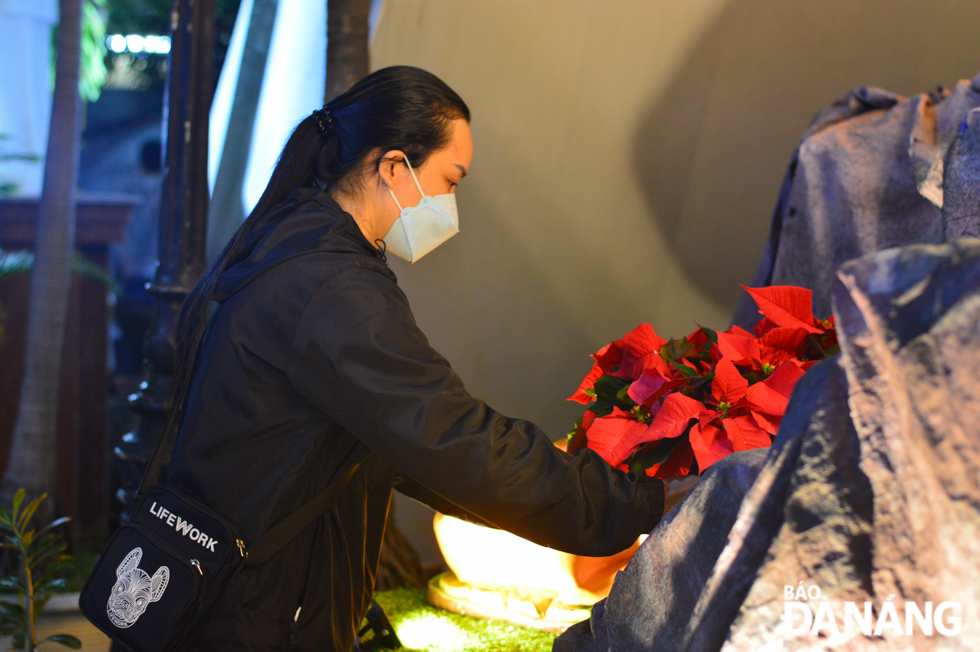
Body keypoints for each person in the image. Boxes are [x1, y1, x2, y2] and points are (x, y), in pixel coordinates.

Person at [166, 65, 688, 652]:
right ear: (392, 167)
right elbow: (453, 437)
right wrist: (638, 501)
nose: (449, 204)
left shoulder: (296, 253)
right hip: (255, 617)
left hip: (238, 599)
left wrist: (594, 494)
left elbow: (416, 448)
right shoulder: (332, 287)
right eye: (451, 181)